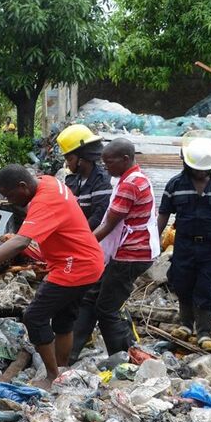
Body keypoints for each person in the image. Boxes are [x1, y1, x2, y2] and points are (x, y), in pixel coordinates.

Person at [0, 165, 104, 386]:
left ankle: (51, 377)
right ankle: (62, 371)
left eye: (11, 195)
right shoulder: (47, 181)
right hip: (86, 260)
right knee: (63, 319)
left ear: (23, 186)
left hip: (74, 266)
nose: (10, 201)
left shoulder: (44, 201)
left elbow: (21, 241)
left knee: (34, 316)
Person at [70, 138, 160, 361]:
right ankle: (69, 351)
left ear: (125, 159)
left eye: (109, 162)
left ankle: (122, 358)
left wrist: (83, 247)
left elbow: (108, 224)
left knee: (107, 308)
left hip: (131, 254)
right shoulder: (130, 179)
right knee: (91, 298)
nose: (106, 167)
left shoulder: (130, 184)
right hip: (125, 251)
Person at [157, 138, 211, 352]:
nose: (202, 174)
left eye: (206, 170)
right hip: (184, 246)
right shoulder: (175, 185)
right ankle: (186, 325)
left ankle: (204, 332)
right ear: (187, 164)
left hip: (210, 247)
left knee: (206, 287)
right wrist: (153, 243)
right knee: (182, 284)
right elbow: (163, 214)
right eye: (197, 170)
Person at [56, 124, 112, 229]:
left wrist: (77, 237)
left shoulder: (102, 182)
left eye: (70, 159)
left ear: (82, 159)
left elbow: (97, 218)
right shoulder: (73, 180)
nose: (67, 164)